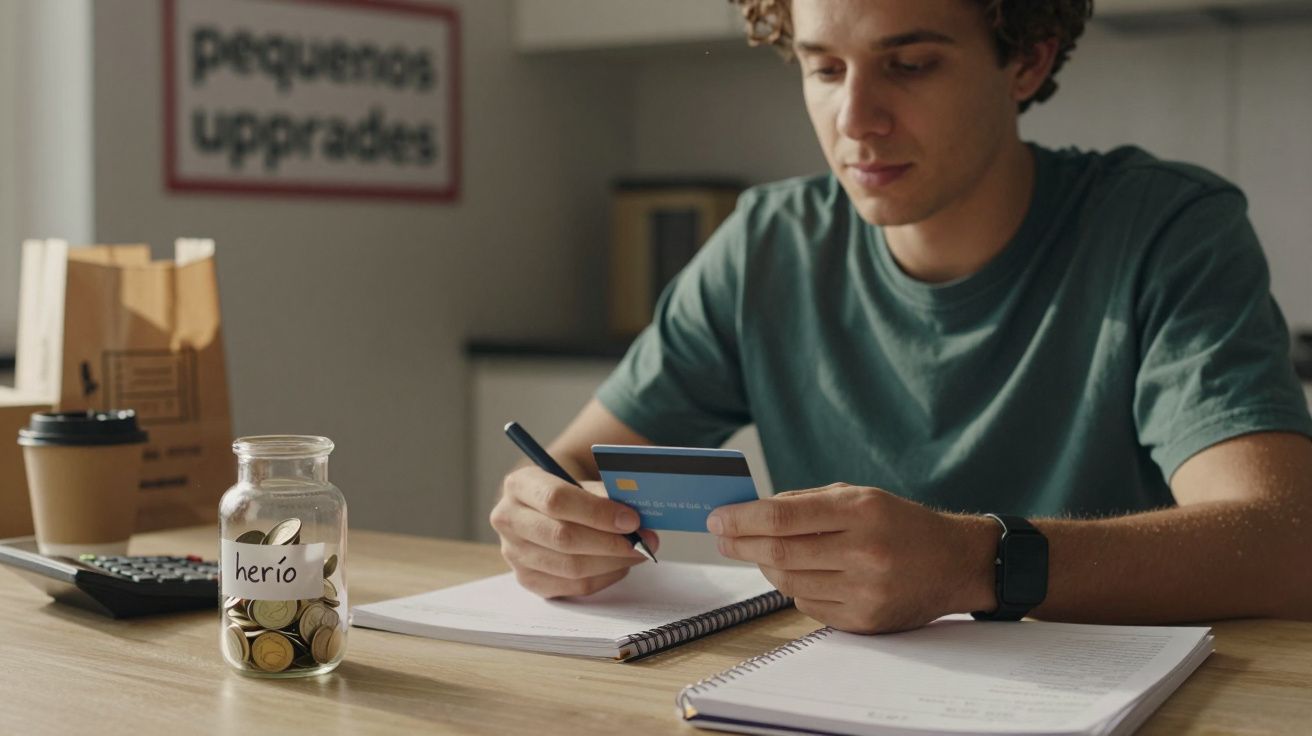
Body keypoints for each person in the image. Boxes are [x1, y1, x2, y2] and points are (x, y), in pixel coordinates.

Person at [489, 0, 1312, 634]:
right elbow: (568, 472)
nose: (855, 120)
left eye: (910, 64)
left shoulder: (1164, 230)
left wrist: (975, 563)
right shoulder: (766, 246)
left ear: (1026, 60)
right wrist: (543, 520)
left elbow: (1282, 543)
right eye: (823, 70)